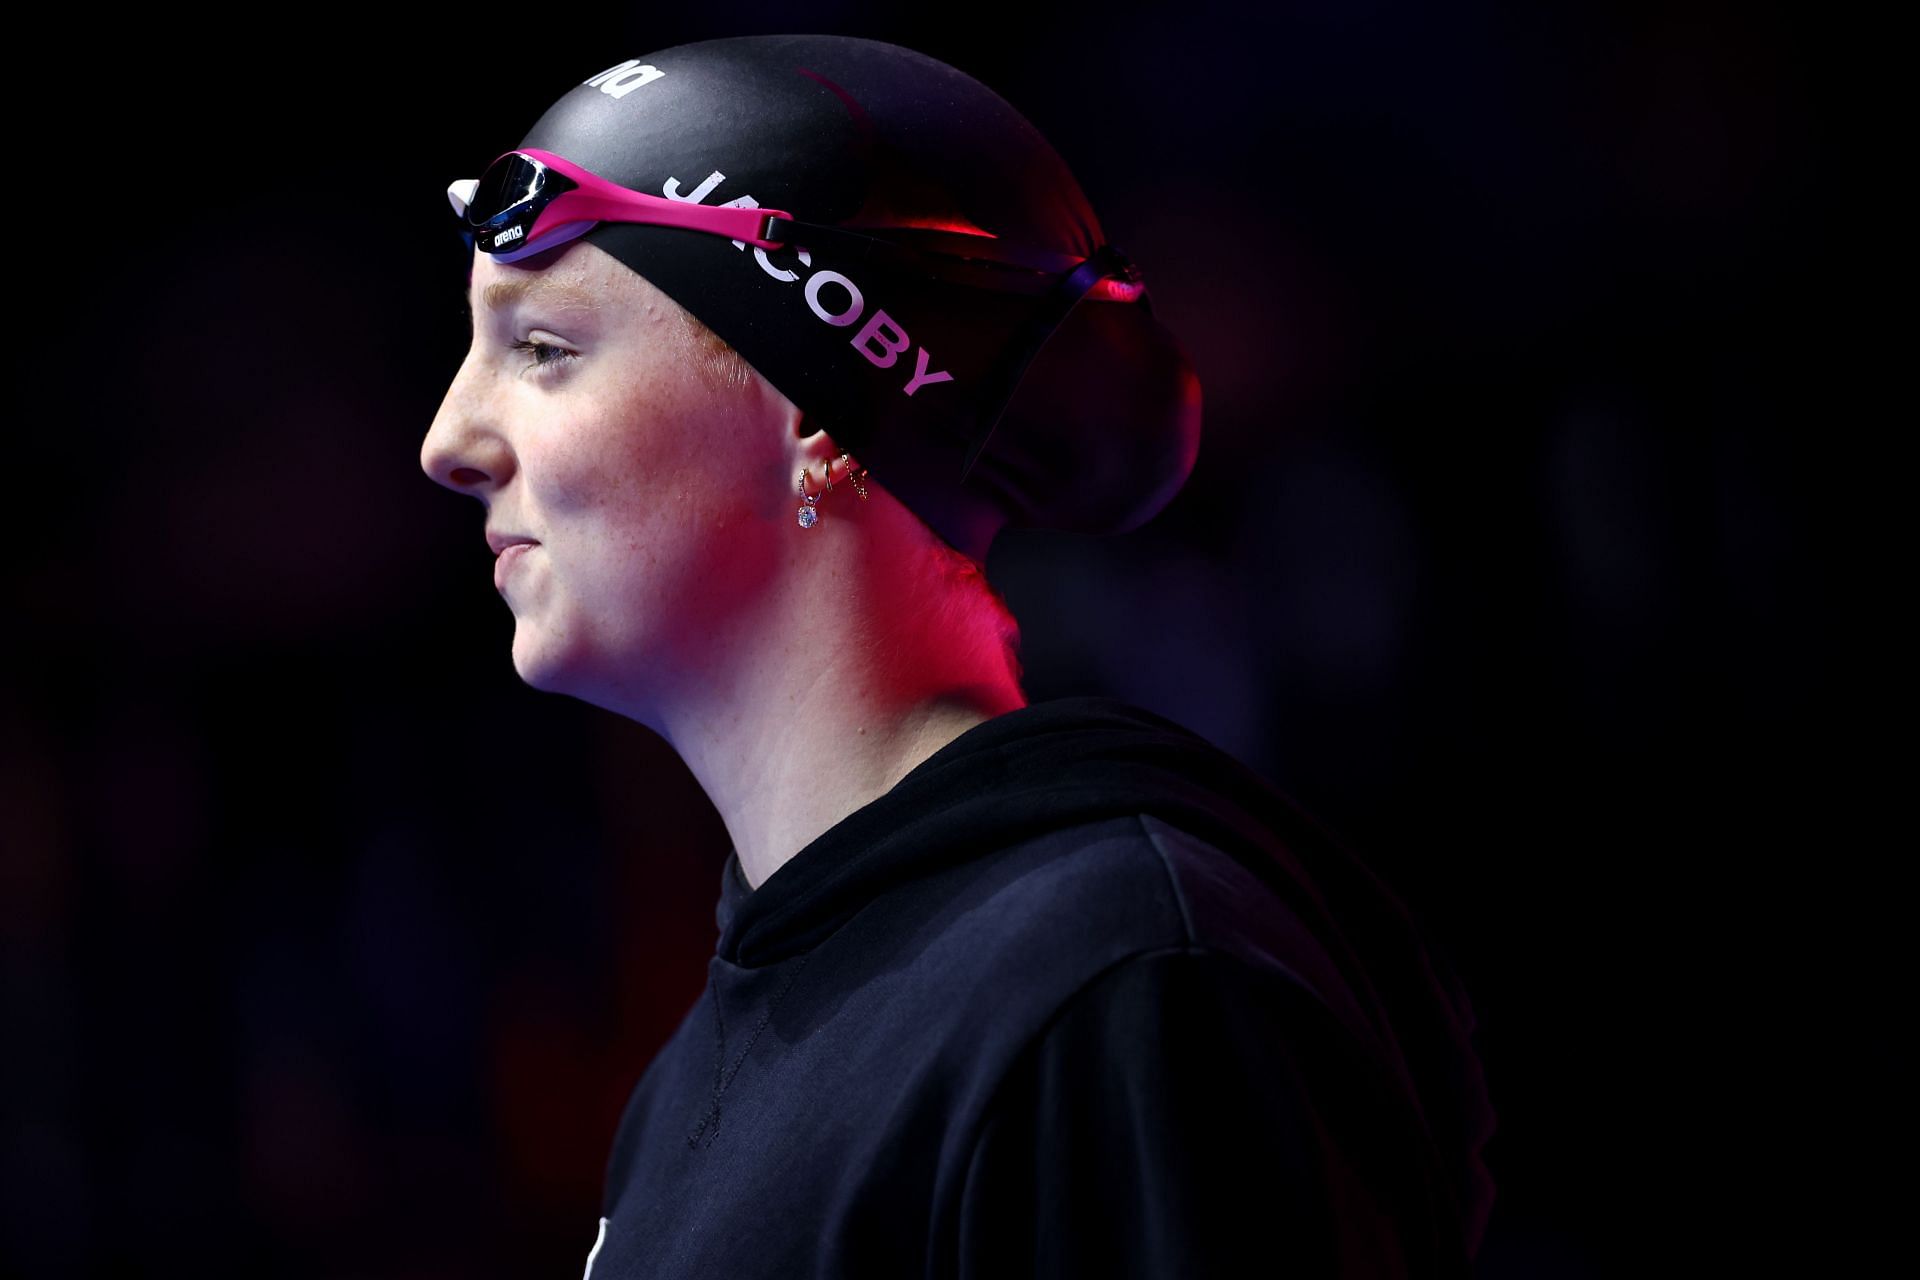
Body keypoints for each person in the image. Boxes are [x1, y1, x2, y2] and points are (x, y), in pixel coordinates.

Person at [420, 34, 1496, 1279]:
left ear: (819, 418)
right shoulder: (693, 1084)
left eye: (542, 348)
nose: (451, 438)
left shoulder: (1119, 980)